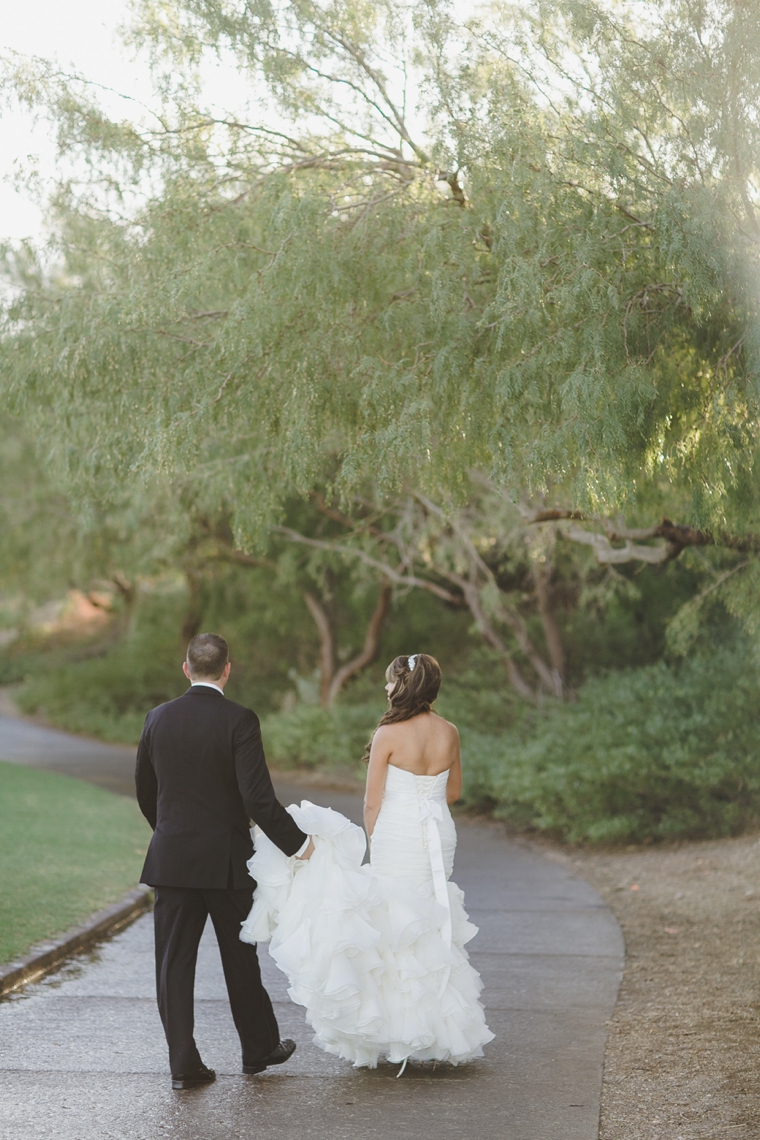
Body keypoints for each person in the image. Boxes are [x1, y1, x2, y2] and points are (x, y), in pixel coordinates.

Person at [241, 653, 494, 1074]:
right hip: (438, 832)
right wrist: (425, 799)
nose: (385, 689)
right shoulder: (450, 732)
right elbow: (454, 793)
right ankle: (440, 1026)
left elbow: (372, 802)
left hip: (398, 833)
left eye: (389, 682)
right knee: (430, 920)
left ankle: (400, 1029)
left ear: (404, 685)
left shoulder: (388, 733)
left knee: (395, 925)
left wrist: (373, 845)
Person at [135, 632, 314, 1090]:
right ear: (227, 669)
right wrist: (299, 844)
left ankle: (184, 1066)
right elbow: (257, 797)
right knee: (240, 957)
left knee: (173, 964)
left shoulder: (157, 718)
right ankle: (257, 1051)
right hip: (227, 863)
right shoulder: (240, 719)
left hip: (172, 861)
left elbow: (145, 791)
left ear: (186, 668)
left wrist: (171, 832)